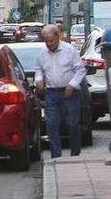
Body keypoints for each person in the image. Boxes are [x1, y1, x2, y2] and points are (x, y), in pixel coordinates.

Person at [35, 24, 87, 160]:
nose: (49, 44)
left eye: (51, 40)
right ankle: (56, 156)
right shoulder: (42, 53)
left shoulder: (69, 50)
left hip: (69, 92)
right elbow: (39, 68)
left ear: (58, 37)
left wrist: (72, 85)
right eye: (46, 41)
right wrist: (39, 79)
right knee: (52, 124)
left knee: (72, 123)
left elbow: (80, 70)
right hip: (51, 92)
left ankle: (75, 154)